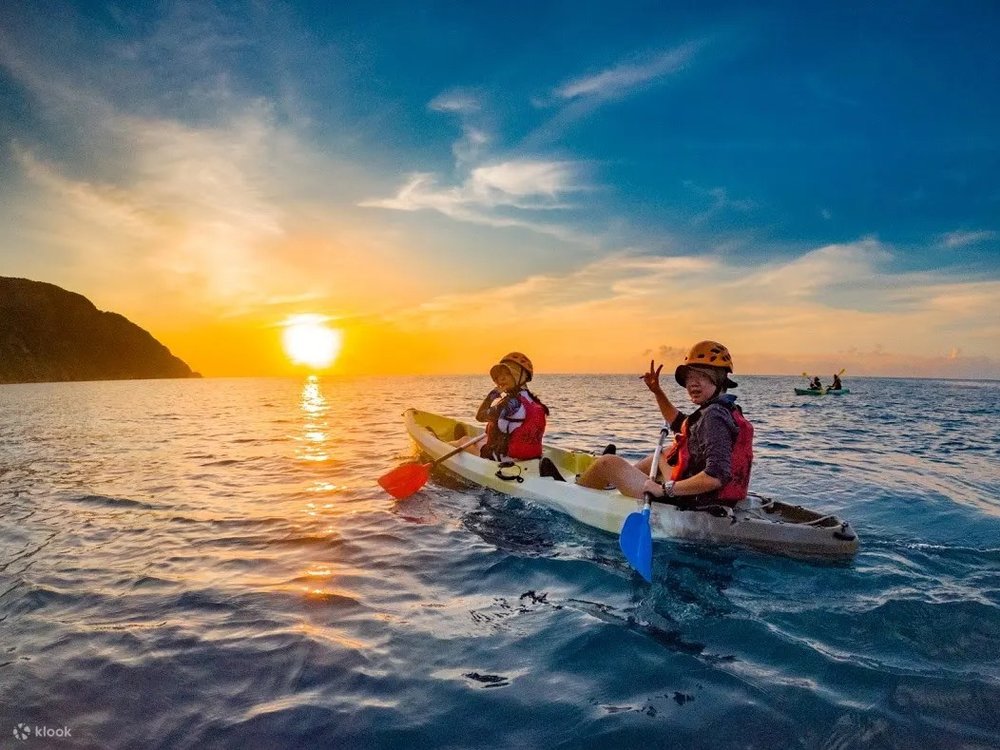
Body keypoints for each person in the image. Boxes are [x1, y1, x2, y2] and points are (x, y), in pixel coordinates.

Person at [570, 341, 754, 508]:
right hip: (706, 496)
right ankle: (612, 483)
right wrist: (657, 392)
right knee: (664, 456)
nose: (692, 384)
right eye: (690, 377)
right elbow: (680, 423)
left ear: (720, 379)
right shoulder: (724, 409)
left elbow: (716, 476)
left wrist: (665, 490)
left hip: (691, 501)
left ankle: (577, 489)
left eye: (702, 376)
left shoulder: (714, 415)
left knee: (607, 462)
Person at [452, 352, 549, 461]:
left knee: (463, 441)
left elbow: (480, 416)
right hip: (526, 459)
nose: (500, 379)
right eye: (498, 376)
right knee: (475, 440)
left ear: (521, 375)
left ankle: (435, 442)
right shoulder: (533, 402)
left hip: (501, 460)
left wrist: (493, 393)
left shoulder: (512, 402)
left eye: (507, 373)